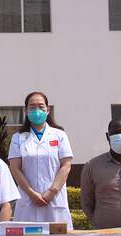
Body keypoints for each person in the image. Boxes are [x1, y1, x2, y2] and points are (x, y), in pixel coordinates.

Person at [7, 91, 74, 227]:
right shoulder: (18, 138)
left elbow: (66, 166)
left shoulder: (59, 135)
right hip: (28, 200)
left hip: (54, 201)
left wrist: (51, 192)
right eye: (32, 107)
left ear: (48, 110)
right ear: (26, 111)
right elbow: (15, 168)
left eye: (41, 107)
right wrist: (32, 194)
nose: (37, 111)